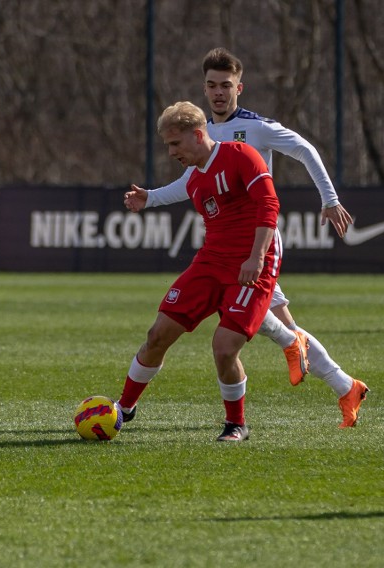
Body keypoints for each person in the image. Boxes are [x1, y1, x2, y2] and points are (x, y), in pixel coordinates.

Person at [128, 47, 368, 428]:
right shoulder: (199, 131)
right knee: (282, 324)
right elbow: (191, 183)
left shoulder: (256, 128)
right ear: (204, 89)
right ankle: (345, 386)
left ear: (241, 86)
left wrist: (330, 199)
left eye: (226, 85)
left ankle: (327, 382)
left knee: (276, 328)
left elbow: (305, 150)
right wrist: (152, 198)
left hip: (258, 241)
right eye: (211, 85)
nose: (218, 92)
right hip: (227, 246)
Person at [117, 101, 282, 442]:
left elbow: (269, 205)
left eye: (175, 143)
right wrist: (147, 197)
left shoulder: (242, 155)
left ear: (197, 135)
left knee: (224, 347)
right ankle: (124, 408)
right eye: (167, 145)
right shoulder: (194, 176)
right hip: (211, 261)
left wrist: (256, 256)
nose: (171, 151)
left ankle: (236, 424)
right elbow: (173, 191)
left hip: (254, 261)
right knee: (158, 334)